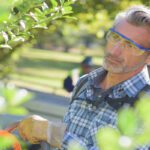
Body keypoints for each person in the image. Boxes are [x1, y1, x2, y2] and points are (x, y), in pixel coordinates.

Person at [16, 5, 150, 150]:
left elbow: (59, 137)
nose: (115, 50)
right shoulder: (84, 83)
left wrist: (52, 132)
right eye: (115, 37)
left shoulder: (145, 107)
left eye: (130, 45)